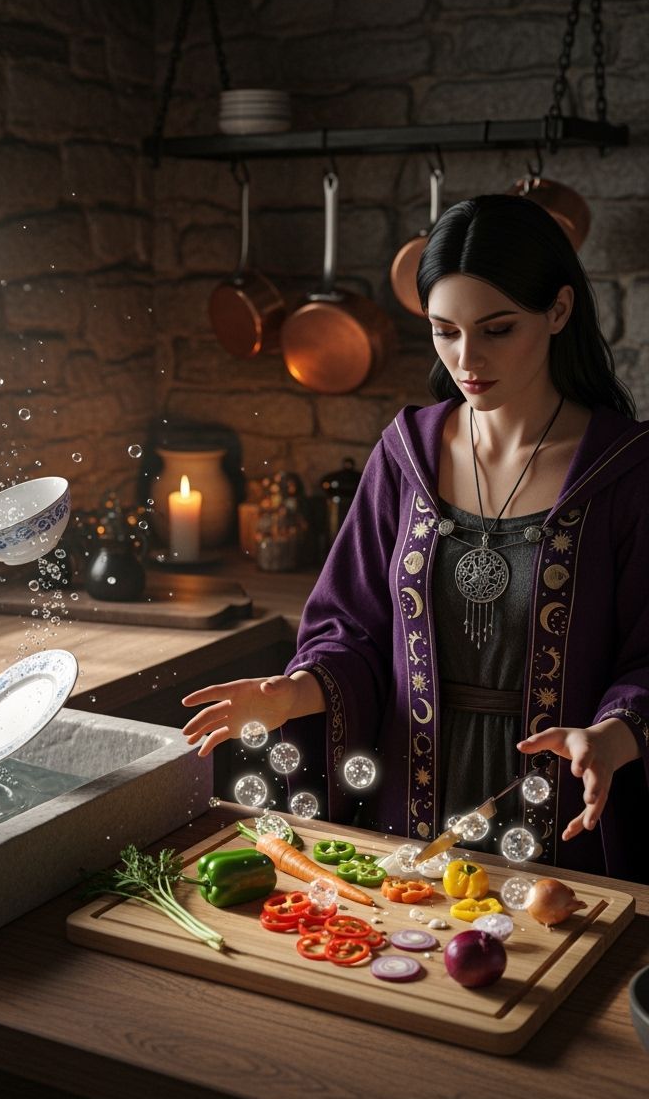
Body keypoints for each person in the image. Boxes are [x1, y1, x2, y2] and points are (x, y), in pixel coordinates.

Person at [182, 193, 649, 882]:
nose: (467, 358)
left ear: (557, 311)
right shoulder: (405, 456)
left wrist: (614, 736)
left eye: (496, 330)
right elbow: (355, 631)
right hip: (410, 809)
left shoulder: (626, 471)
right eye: (444, 330)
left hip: (561, 826)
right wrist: (295, 693)